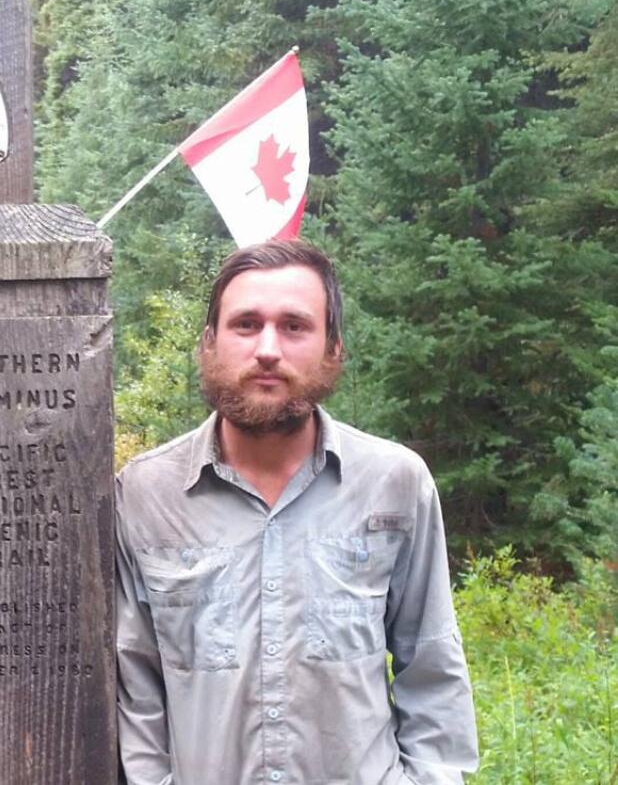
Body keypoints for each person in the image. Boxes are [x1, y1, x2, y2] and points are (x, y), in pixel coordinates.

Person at [115, 239, 479, 784]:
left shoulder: (395, 484)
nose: (267, 348)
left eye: (294, 326)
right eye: (245, 324)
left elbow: (432, 670)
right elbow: (136, 687)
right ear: (209, 344)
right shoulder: (146, 494)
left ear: (333, 348)